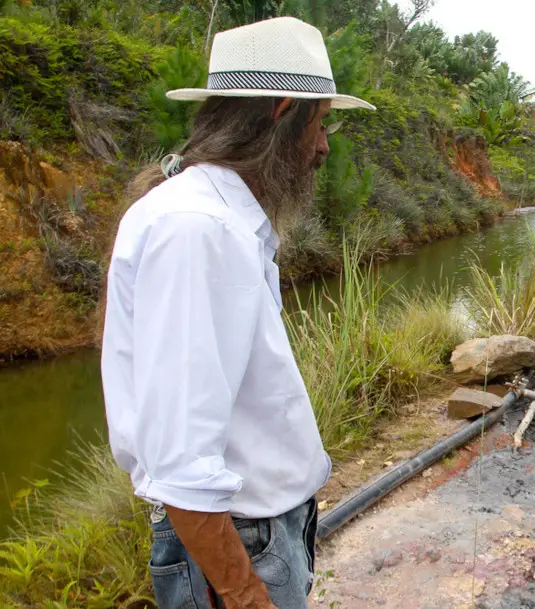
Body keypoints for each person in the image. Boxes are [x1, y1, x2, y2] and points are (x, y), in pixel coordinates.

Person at [100, 16, 374, 609]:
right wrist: (247, 595)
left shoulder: (222, 219)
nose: (324, 145)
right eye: (320, 122)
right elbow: (180, 460)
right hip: (236, 551)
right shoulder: (199, 229)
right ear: (281, 112)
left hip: (259, 535)